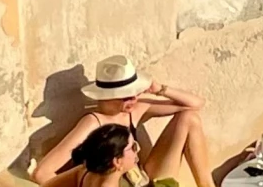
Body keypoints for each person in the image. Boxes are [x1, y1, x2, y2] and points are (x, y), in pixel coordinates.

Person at [33, 57, 213, 187]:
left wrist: (160, 89)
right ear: (107, 97)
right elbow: (42, 173)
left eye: (135, 92)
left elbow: (195, 105)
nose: (133, 99)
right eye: (127, 96)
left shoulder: (135, 109)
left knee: (189, 118)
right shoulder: (93, 124)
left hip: (144, 178)